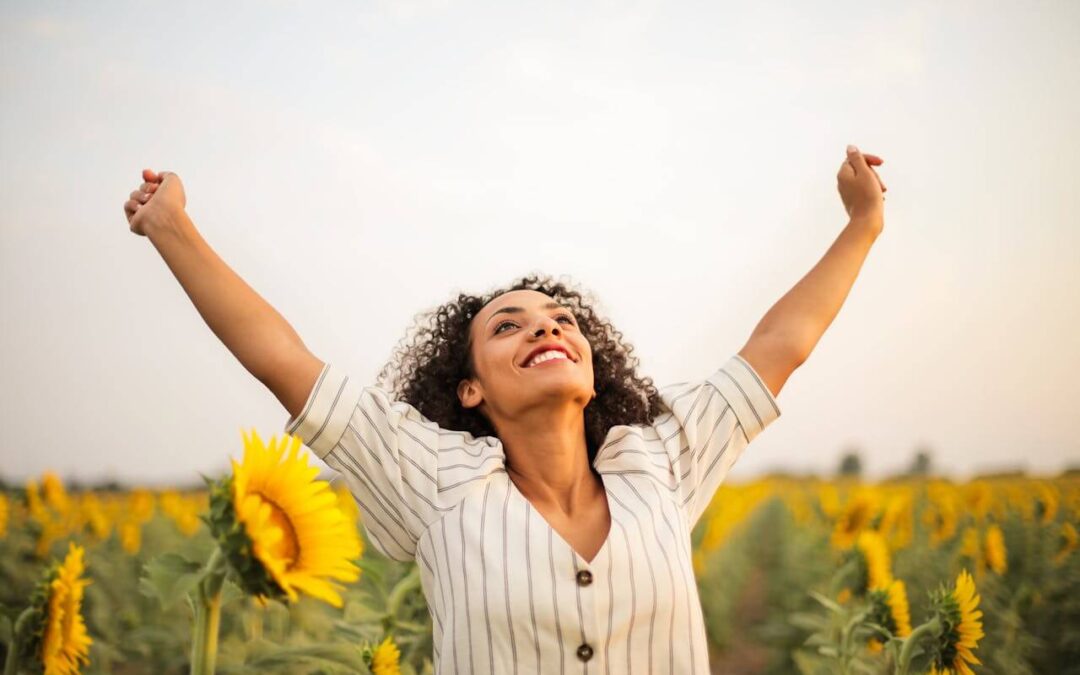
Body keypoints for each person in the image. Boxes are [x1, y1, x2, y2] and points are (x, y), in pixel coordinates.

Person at [123, 145, 886, 673]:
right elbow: (283, 360)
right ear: (470, 389)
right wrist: (171, 225)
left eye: (560, 319)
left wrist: (862, 226)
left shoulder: (659, 459)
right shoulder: (433, 480)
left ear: (592, 369)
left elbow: (781, 343)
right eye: (508, 325)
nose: (545, 327)